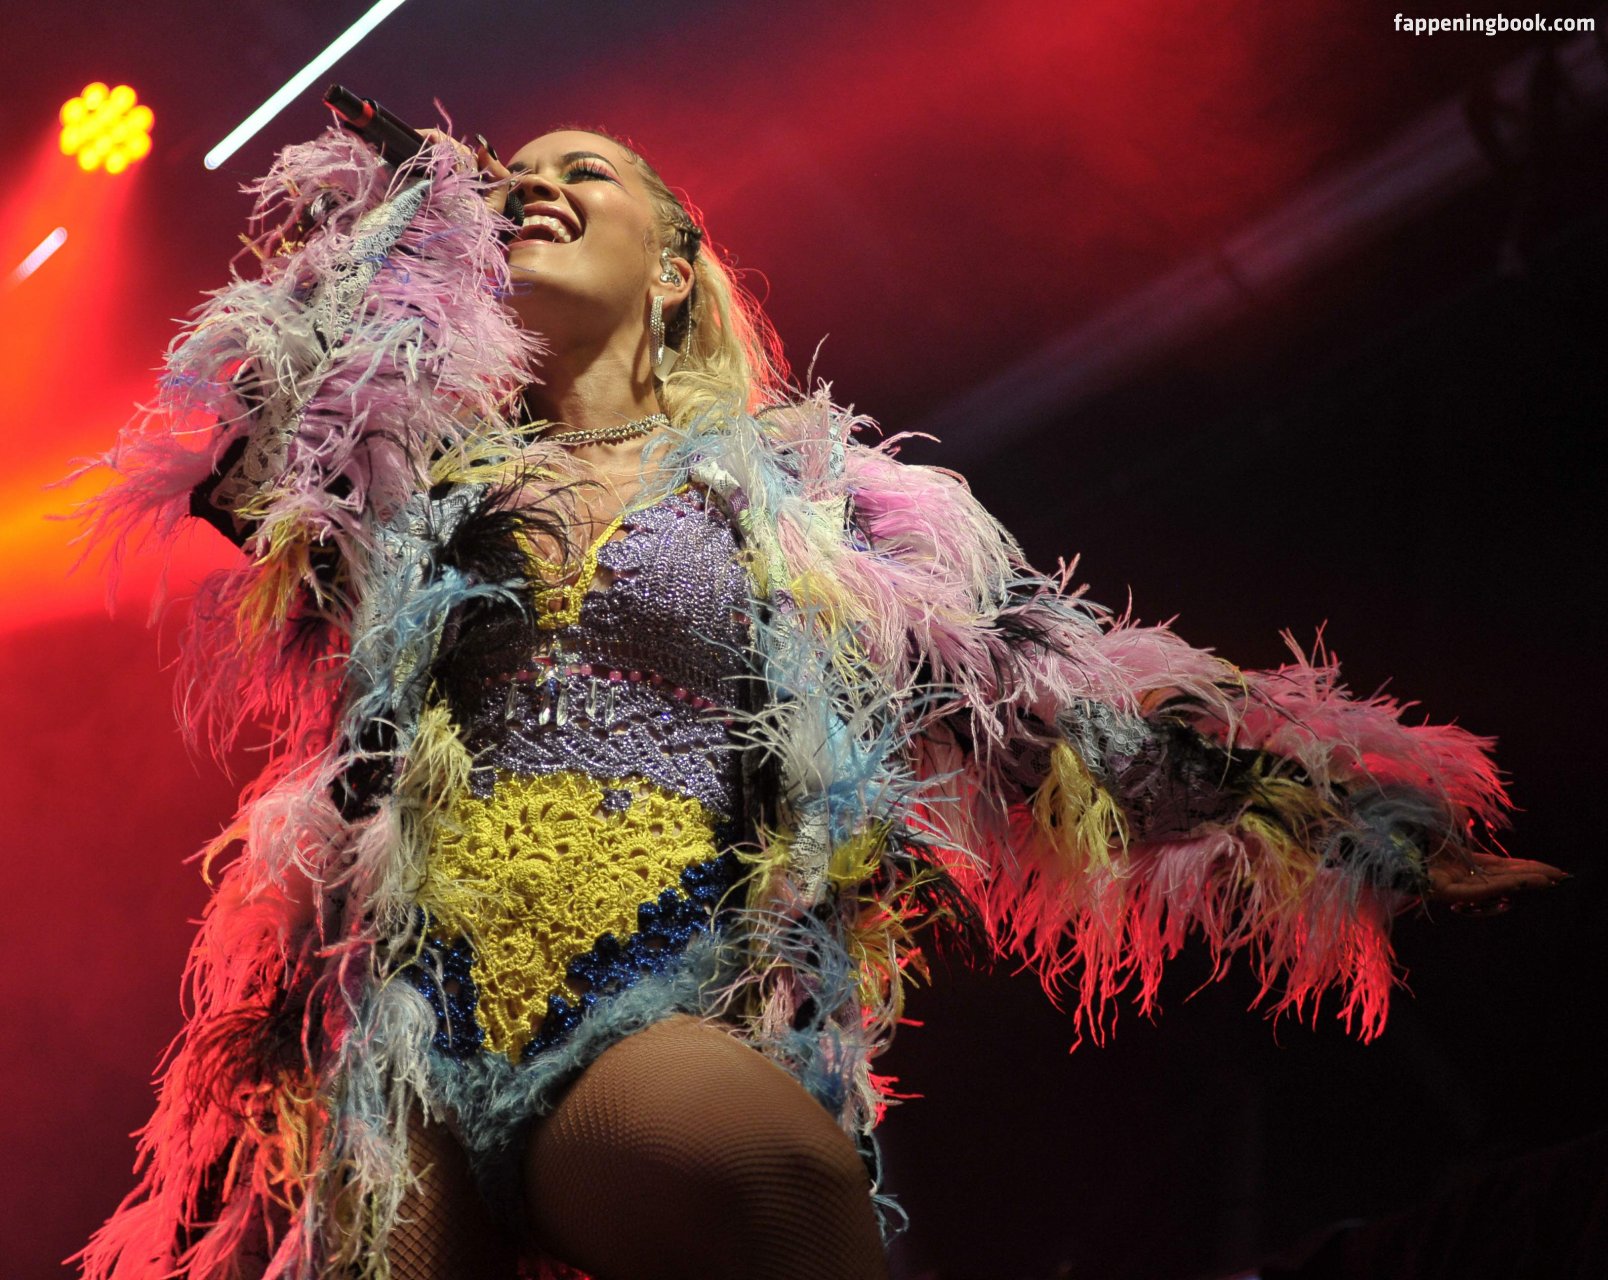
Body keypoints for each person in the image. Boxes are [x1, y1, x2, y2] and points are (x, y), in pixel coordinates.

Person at [76, 122, 1564, 1280]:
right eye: (512, 180)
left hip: (623, 1007)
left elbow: (1051, 692)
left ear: (675, 266)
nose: (533, 186)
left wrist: (1348, 811)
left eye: (582, 174)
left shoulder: (813, 503)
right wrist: (414, 218)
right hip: (404, 1021)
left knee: (787, 1190)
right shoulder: (422, 478)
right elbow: (269, 441)